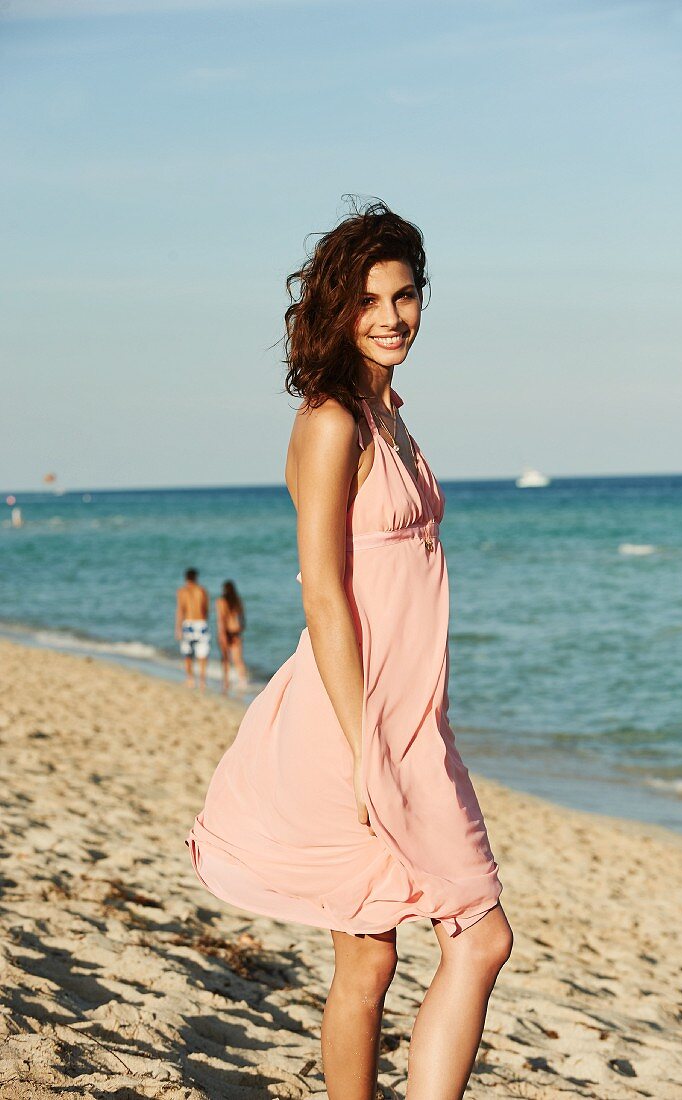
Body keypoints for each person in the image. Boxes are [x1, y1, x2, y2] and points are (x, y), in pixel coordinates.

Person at [187, 200, 512, 1098]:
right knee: (476, 938)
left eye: (405, 296)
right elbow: (324, 595)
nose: (392, 316)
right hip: (355, 726)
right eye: (370, 299)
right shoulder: (333, 421)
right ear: (335, 306)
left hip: (409, 722)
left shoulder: (390, 413)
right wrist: (366, 751)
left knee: (370, 964)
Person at [175, 568, 210, 690]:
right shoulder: (202, 590)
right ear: (196, 577)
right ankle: (202, 681)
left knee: (188, 654)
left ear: (186, 578)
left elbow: (180, 610)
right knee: (203, 654)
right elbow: (206, 609)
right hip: (200, 623)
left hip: (188, 624)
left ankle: (190, 679)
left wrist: (178, 628)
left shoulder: (182, 591)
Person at [215, 580, 249, 693]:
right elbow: (243, 618)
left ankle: (226, 681)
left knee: (225, 659)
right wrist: (241, 628)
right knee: (238, 659)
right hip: (236, 632)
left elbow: (221, 619)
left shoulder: (220, 601)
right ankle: (243, 681)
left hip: (226, 632)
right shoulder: (238, 600)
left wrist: (221, 635)